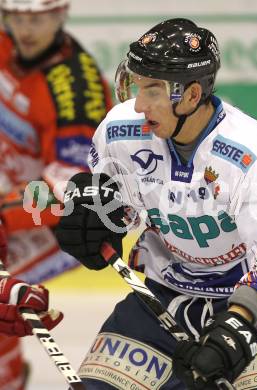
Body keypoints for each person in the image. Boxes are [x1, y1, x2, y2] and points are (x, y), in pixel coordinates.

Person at [56, 18, 257, 390]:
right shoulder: (120, 130)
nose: (139, 104)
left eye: (153, 90)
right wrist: (95, 217)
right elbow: (120, 205)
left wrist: (236, 329)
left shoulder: (256, 154)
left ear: (191, 95)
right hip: (170, 293)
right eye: (137, 86)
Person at [0, 0, 113, 388]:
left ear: (60, 15)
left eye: (39, 18)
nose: (26, 29)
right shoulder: (4, 45)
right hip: (9, 198)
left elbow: (65, 195)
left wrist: (2, 213)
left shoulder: (74, 89)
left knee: (1, 303)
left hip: (53, 226)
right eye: (18, 16)